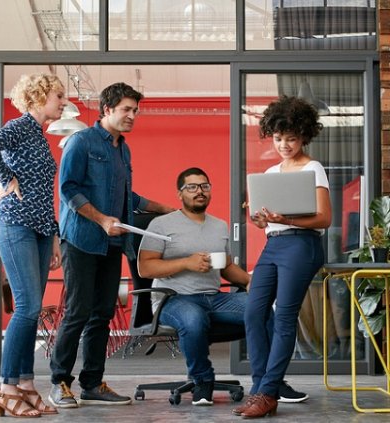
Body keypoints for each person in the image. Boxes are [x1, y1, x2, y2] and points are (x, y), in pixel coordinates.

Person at [48, 82, 174, 408]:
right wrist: (103, 219)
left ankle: (92, 383)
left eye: (135, 111)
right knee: (77, 312)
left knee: (103, 314)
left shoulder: (123, 149)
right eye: (126, 110)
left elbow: (125, 197)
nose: (132, 116)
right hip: (81, 240)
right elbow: (69, 189)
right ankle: (59, 382)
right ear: (107, 110)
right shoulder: (81, 142)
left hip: (113, 245)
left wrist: (161, 208)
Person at [235, 95, 332, 418]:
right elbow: (265, 221)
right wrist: (262, 220)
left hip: (302, 245)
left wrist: (285, 219)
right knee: (253, 311)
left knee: (285, 316)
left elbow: (324, 218)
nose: (284, 145)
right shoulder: (272, 172)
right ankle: (263, 386)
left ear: (303, 135)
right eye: (278, 138)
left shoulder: (313, 167)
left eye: (291, 138)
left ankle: (266, 392)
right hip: (274, 244)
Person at [0, 73, 65, 418]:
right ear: (38, 98)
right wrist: (6, 177)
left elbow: (46, 193)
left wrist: (55, 236)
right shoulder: (21, 126)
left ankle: (26, 384)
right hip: (14, 223)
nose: (63, 101)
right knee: (27, 307)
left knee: (32, 309)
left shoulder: (41, 137)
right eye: (58, 95)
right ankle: (6, 388)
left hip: (42, 228)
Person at [138, 167, 251, 406]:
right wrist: (186, 263)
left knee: (261, 308)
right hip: (174, 299)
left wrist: (251, 282)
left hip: (214, 297)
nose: (199, 191)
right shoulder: (161, 224)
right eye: (192, 187)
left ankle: (269, 382)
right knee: (193, 319)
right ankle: (203, 381)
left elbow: (227, 267)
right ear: (180, 194)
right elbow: (145, 268)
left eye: (204, 186)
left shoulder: (219, 226)